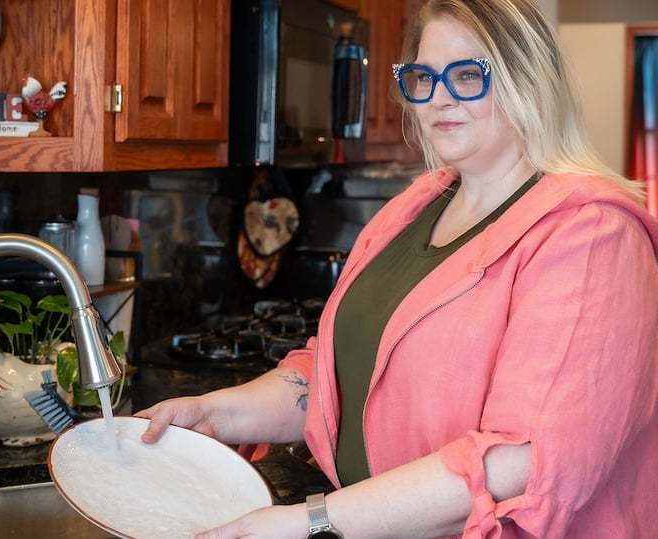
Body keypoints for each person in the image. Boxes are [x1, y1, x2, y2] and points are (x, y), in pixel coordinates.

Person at [136, 0, 658, 537]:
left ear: (529, 81)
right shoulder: (415, 207)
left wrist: (310, 522)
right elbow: (335, 373)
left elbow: (521, 462)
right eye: (422, 77)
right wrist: (213, 414)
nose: (438, 98)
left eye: (465, 75)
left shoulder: (592, 236)